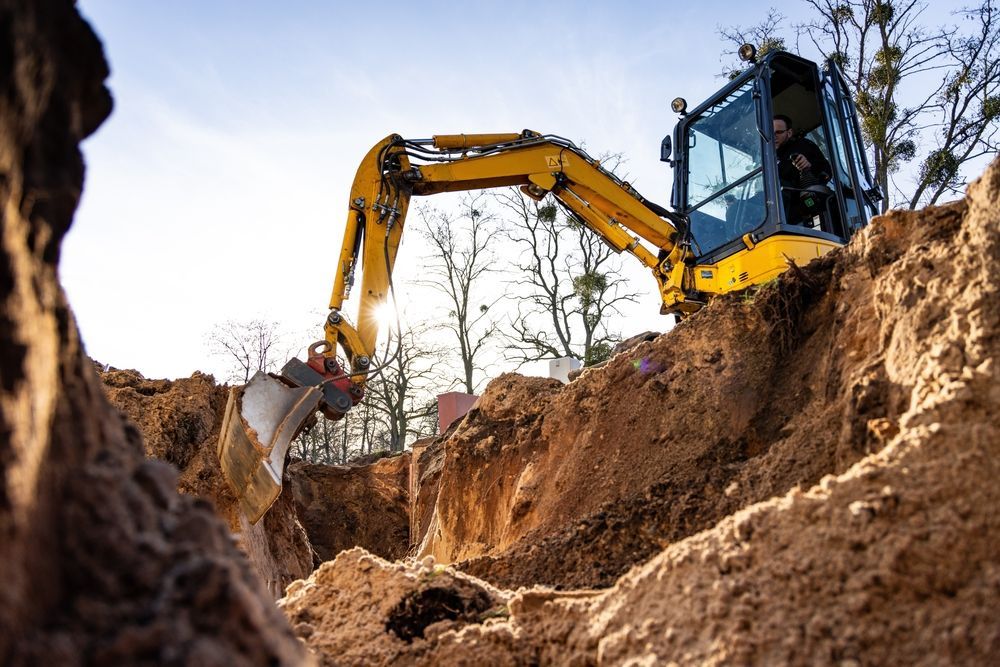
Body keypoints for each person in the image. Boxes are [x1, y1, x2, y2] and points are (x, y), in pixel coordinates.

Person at [773, 114, 832, 224]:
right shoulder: (769, 158)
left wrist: (809, 166)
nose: (774, 136)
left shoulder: (803, 145)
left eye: (779, 132)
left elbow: (827, 170)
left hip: (800, 207)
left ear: (789, 133)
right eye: (771, 133)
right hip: (776, 208)